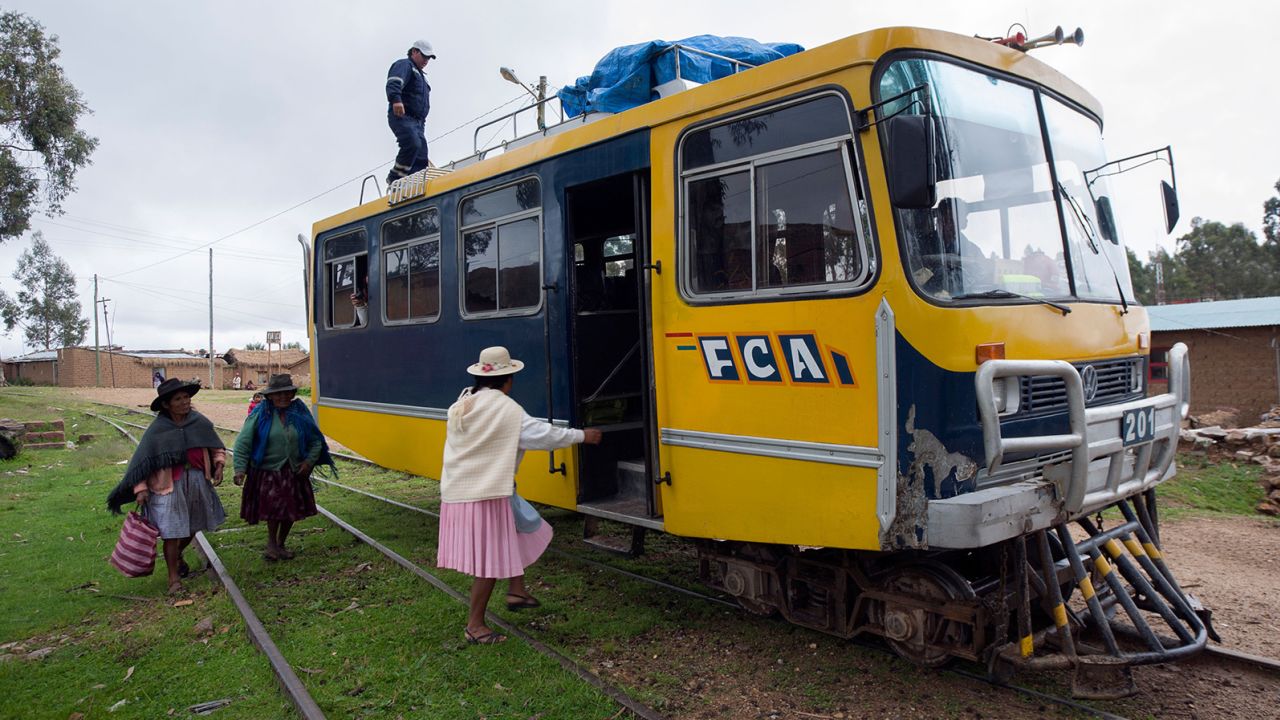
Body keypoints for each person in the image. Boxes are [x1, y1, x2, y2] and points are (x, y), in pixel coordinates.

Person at [436, 346, 603, 645]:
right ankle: (475, 626)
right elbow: (541, 435)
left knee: (524, 525)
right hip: (485, 494)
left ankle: (517, 589)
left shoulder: (464, 403)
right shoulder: (505, 409)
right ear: (509, 379)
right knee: (489, 563)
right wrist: (582, 436)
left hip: (464, 490)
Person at [106, 378, 227, 595]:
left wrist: (218, 465)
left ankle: (179, 553)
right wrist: (140, 488)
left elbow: (216, 446)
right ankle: (174, 580)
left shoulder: (199, 422)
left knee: (194, 524)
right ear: (166, 405)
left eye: (186, 397)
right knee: (171, 533)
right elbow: (142, 462)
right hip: (168, 486)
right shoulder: (158, 430)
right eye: (178, 399)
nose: (184, 402)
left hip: (197, 480)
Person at [233, 374, 334, 561]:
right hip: (267, 471)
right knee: (274, 508)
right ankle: (271, 544)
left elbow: (316, 441)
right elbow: (243, 442)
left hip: (294, 471)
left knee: (290, 509)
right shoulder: (260, 414)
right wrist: (240, 469)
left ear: (292, 393)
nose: (283, 397)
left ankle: (280, 544)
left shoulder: (300, 414)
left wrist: (309, 462)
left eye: (287, 393)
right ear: (270, 396)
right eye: (278, 394)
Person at [385, 39, 435, 187]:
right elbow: (394, 81)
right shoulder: (405, 65)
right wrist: (396, 99)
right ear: (414, 51)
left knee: (421, 154)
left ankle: (414, 183)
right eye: (424, 56)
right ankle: (395, 178)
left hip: (418, 122)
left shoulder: (422, 77)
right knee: (412, 143)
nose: (426, 60)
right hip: (402, 115)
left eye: (429, 58)